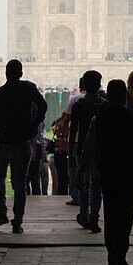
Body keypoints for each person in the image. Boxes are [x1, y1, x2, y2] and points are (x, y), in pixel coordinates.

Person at [81, 79, 133, 265]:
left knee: (111, 213)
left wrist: (81, 170)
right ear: (124, 96)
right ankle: (120, 253)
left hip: (107, 171)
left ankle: (112, 253)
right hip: (128, 171)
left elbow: (89, 148)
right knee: (126, 213)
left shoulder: (99, 119)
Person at [0, 59, 47, 233]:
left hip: (5, 141)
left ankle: (1, 212)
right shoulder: (28, 88)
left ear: (6, 73)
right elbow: (43, 106)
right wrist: (34, 125)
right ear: (21, 73)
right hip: (23, 141)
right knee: (20, 182)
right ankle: (17, 221)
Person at [70, 70, 108, 232]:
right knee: (97, 186)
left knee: (83, 183)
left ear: (83, 86)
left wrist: (71, 153)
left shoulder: (79, 106)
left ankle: (83, 215)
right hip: (100, 149)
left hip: (83, 148)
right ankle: (94, 218)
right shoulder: (105, 104)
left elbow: (73, 132)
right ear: (99, 85)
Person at [57, 76, 86, 206]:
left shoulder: (75, 99)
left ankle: (76, 197)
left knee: (74, 168)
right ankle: (88, 195)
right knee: (89, 168)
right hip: (91, 140)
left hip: (74, 140)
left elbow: (65, 118)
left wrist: (63, 136)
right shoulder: (100, 101)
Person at [27, 120, 49, 195]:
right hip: (36, 145)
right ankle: (36, 194)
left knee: (29, 174)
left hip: (32, 144)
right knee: (35, 175)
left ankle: (27, 194)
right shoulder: (40, 118)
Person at [51, 118, 69, 195]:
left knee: (61, 178)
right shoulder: (65, 124)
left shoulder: (59, 123)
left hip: (59, 153)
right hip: (64, 152)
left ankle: (62, 194)